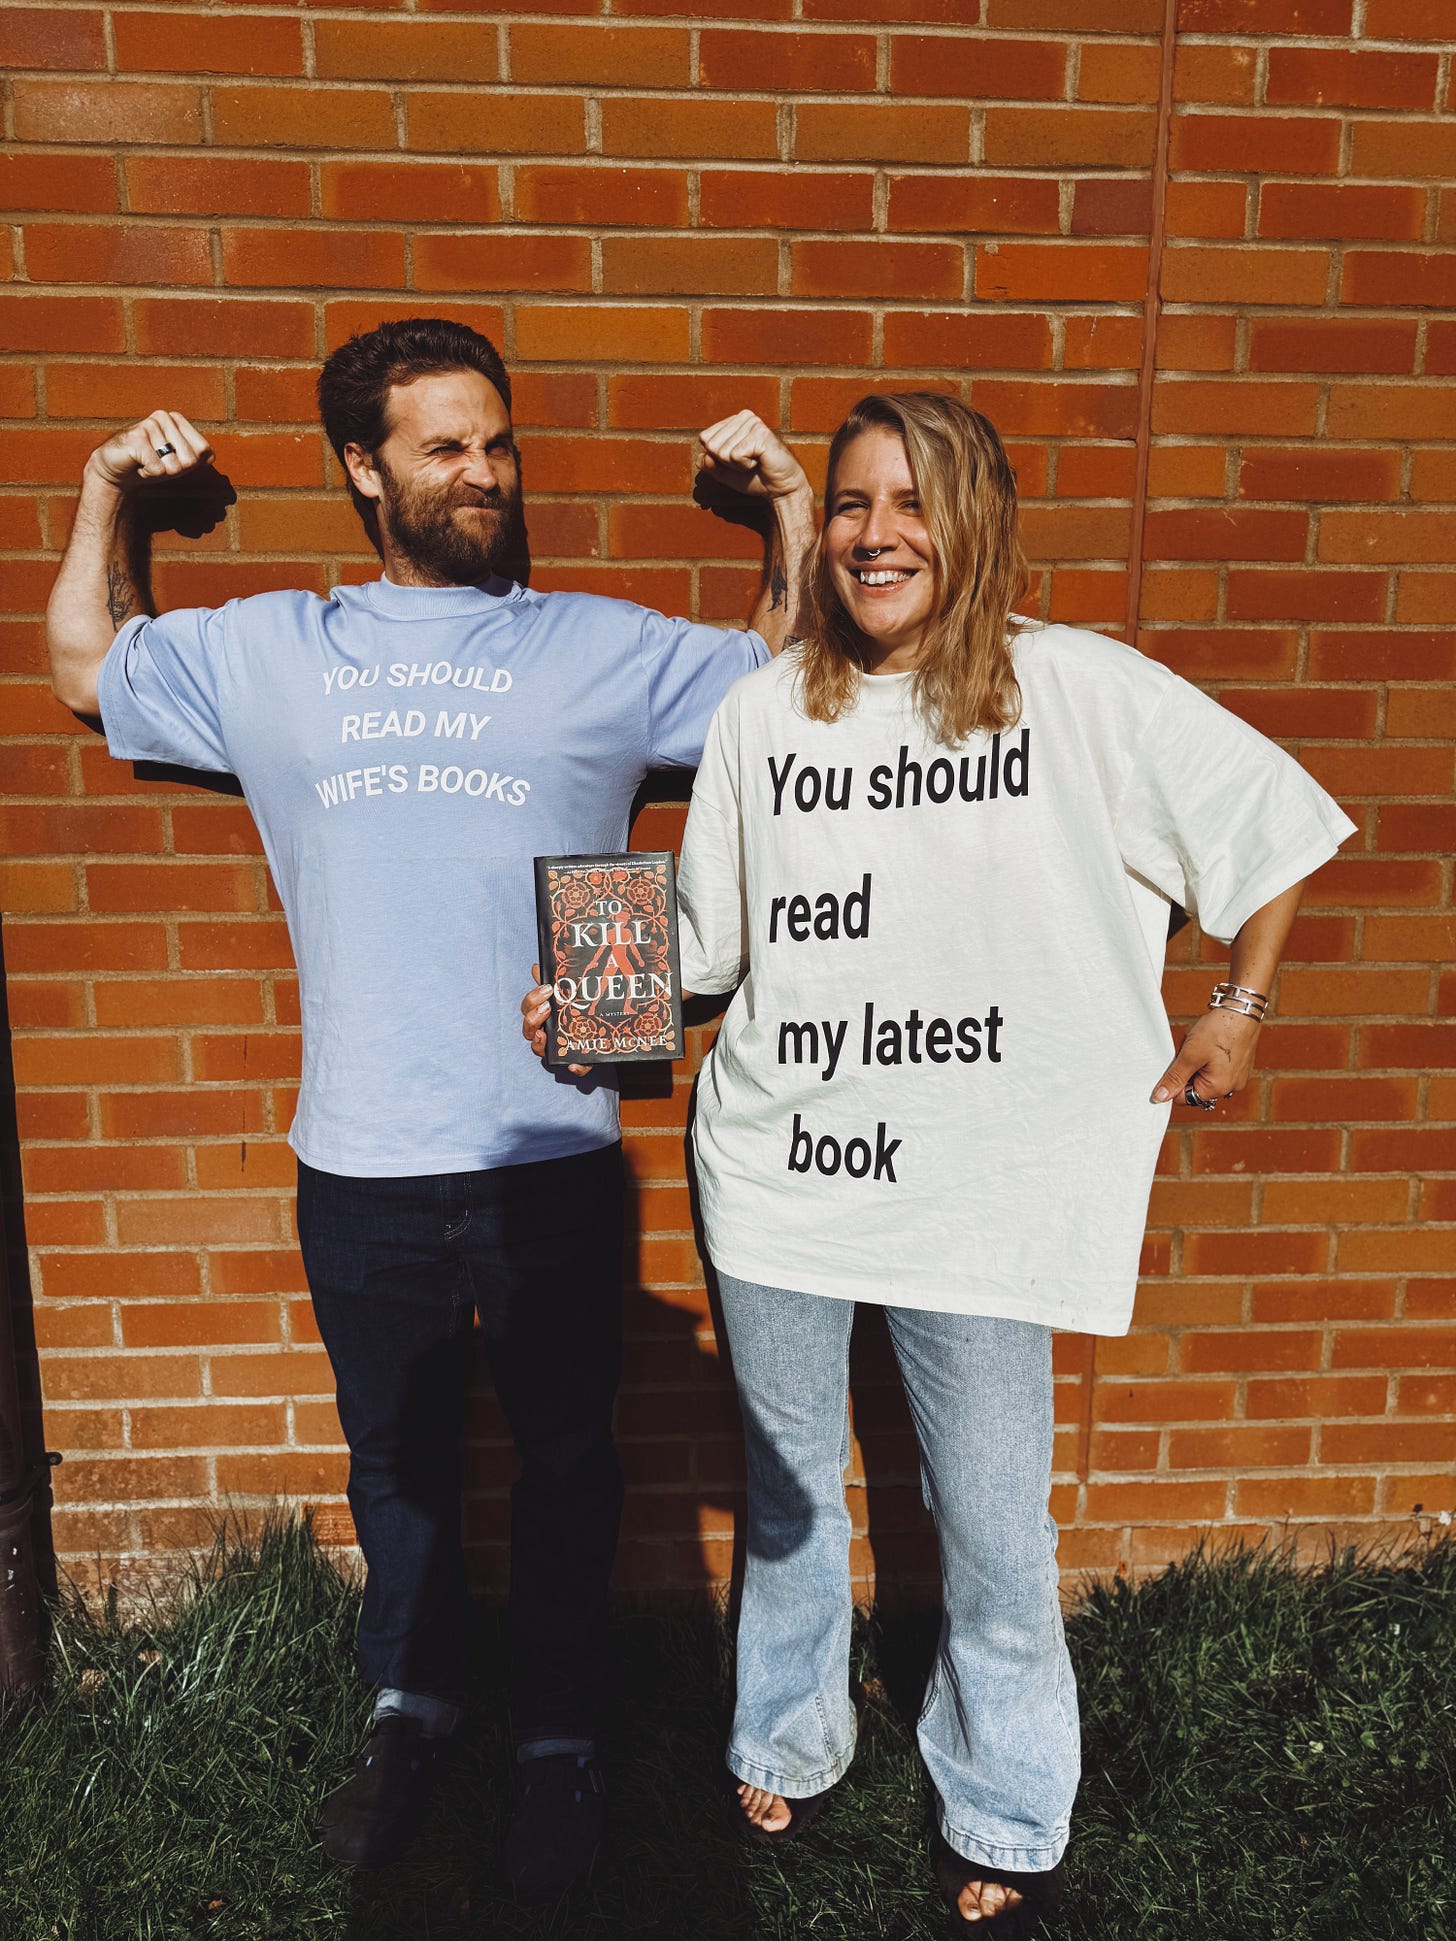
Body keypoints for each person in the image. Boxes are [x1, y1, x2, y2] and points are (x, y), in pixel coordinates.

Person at [524, 393, 1356, 1934]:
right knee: (789, 1495)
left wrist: (1238, 1008)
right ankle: (788, 1733)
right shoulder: (766, 714)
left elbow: (1273, 827)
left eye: (911, 501)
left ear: (974, 519)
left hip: (981, 1184)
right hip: (780, 1165)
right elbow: (707, 936)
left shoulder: (1074, 687)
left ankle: (1010, 1800)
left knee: (991, 1517)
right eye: (850, 502)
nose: (874, 532)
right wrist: (588, 999)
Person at [43, 316, 816, 1896]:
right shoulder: (274, 650)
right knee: (393, 1464)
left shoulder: (597, 646)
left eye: (498, 442)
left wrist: (791, 506)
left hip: (555, 1151)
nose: (485, 473)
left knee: (568, 1458)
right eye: (446, 446)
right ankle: (412, 1709)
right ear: (364, 468)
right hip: (360, 1158)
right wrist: (107, 490)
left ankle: (561, 1742)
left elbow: (788, 681)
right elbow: (82, 666)